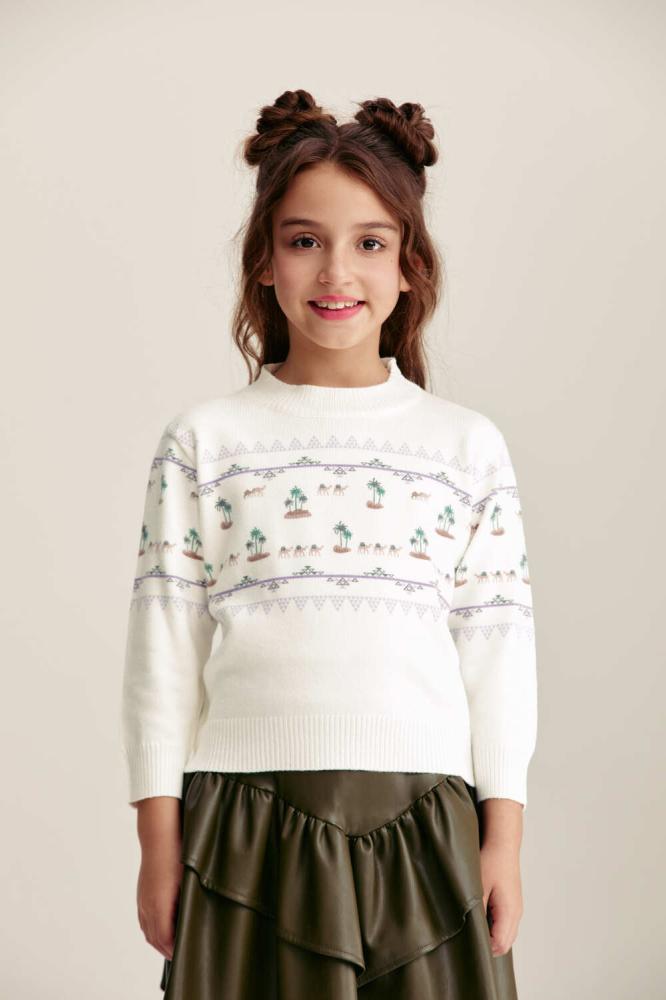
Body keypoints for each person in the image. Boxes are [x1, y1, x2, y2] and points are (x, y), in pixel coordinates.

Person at [120, 89, 538, 999]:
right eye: (305, 240)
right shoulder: (204, 441)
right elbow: (164, 653)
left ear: (410, 267)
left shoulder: (466, 447)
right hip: (244, 824)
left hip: (427, 824)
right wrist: (158, 844)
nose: (336, 270)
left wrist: (502, 838)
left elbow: (498, 653)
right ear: (264, 263)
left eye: (370, 243)